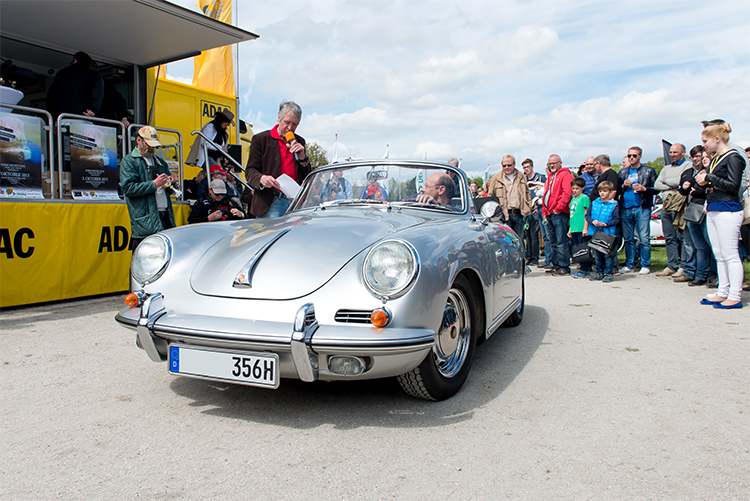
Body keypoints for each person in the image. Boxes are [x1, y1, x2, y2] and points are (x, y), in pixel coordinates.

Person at [695, 120, 746, 308]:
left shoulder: (733, 157)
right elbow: (716, 181)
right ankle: (723, 290)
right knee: (719, 253)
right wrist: (705, 182)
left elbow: (733, 185)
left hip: (728, 208)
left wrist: (709, 177)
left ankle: (735, 294)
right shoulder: (716, 158)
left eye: (705, 141)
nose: (704, 145)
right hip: (714, 207)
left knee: (730, 253)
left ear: (717, 139)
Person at [245, 101, 312, 218]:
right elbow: (250, 171)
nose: (290, 128)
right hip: (272, 202)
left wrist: (303, 158)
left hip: (296, 202)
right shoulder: (261, 139)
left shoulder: (300, 141)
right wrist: (261, 178)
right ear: (278, 118)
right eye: (287, 122)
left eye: (295, 124)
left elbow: (306, 176)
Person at [120, 126, 176, 250]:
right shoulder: (129, 161)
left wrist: (171, 183)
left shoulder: (160, 162)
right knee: (144, 259)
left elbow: (170, 189)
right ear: (138, 140)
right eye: (149, 144)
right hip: (146, 220)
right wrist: (154, 184)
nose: (152, 148)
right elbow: (128, 188)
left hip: (165, 215)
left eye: (154, 145)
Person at [617, 146, 658, 274]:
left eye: (634, 155)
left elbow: (657, 188)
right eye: (629, 156)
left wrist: (644, 189)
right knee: (628, 238)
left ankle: (645, 264)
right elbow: (616, 189)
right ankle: (629, 264)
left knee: (644, 238)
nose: (632, 158)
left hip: (642, 207)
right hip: (626, 207)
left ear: (640, 156)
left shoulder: (648, 171)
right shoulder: (623, 172)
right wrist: (623, 185)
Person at [654, 143, 693, 277]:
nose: (672, 155)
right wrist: (674, 184)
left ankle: (683, 266)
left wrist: (668, 182)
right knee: (669, 237)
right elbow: (657, 184)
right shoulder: (665, 168)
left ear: (683, 152)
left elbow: (683, 181)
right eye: (671, 152)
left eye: (675, 152)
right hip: (666, 207)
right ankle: (672, 265)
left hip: (679, 207)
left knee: (682, 237)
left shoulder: (688, 165)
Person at [677, 145, 713, 286]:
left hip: (707, 209)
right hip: (694, 210)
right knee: (699, 246)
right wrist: (685, 188)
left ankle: (713, 274)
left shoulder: (711, 173)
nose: (700, 159)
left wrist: (696, 192)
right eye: (697, 157)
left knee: (710, 244)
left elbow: (708, 190)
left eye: (703, 157)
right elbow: (684, 190)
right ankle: (700, 275)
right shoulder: (692, 173)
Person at [484, 155, 532, 242]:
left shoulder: (521, 176)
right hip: (504, 215)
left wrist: (528, 206)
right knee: (506, 240)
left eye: (509, 165)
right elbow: (490, 197)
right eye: (504, 165)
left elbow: (527, 193)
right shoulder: (495, 179)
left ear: (514, 164)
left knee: (519, 240)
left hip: (519, 213)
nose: (507, 167)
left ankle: (519, 256)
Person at [46, 51, 104, 119]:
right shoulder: (93, 74)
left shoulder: (61, 73)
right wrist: (94, 110)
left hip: (62, 117)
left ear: (75, 60)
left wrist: (53, 116)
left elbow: (51, 95)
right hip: (84, 116)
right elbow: (98, 92)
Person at [542, 154, 574, 275]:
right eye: (550, 164)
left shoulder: (565, 175)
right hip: (549, 212)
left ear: (560, 163)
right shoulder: (550, 176)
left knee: (561, 241)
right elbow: (546, 194)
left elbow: (567, 193)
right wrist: (544, 210)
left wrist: (559, 208)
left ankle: (564, 266)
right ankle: (556, 265)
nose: (552, 165)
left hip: (559, 213)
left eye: (554, 163)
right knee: (553, 241)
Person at [585, 181, 620, 283]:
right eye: (600, 191)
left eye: (605, 191)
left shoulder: (614, 205)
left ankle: (608, 273)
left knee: (608, 255)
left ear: (610, 192)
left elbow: (616, 219)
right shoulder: (594, 203)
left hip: (607, 232)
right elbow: (587, 216)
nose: (602, 193)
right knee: (597, 254)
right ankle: (598, 272)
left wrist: (606, 224)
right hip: (595, 232)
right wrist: (592, 221)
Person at [523, 158, 546, 266]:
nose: (526, 169)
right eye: (524, 167)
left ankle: (535, 257)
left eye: (528, 167)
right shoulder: (523, 179)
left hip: (537, 208)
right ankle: (530, 255)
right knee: (527, 235)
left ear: (532, 166)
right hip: (527, 210)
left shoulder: (540, 177)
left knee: (535, 234)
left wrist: (539, 205)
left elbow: (546, 191)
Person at [569, 177, 591, 278]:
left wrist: (585, 228)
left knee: (583, 250)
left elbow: (586, 214)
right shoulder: (573, 199)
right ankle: (581, 268)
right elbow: (572, 215)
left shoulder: (584, 198)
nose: (575, 190)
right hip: (574, 228)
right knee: (577, 250)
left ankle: (585, 269)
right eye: (573, 188)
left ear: (582, 188)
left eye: (577, 188)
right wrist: (570, 229)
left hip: (581, 228)